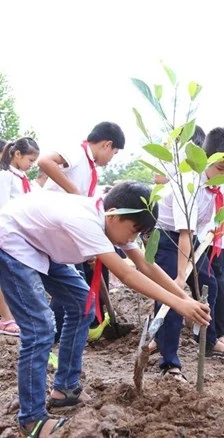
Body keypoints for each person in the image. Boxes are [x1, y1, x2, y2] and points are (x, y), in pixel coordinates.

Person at [0, 181, 210, 437]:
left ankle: (65, 389)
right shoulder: (86, 222)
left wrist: (184, 297)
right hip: (11, 239)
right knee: (40, 327)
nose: (133, 238)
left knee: (81, 305)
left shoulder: (112, 220)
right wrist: (177, 304)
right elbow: (125, 273)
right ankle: (31, 420)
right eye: (134, 230)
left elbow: (145, 265)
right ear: (115, 214)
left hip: (39, 242)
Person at [152, 126, 224, 383]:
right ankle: (169, 363)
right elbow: (182, 235)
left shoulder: (221, 182)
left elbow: (221, 208)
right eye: (220, 169)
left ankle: (206, 339)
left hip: (193, 239)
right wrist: (180, 277)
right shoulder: (189, 184)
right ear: (206, 159)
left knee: (209, 285)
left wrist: (218, 227)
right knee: (173, 298)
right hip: (168, 238)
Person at [39, 122, 125, 342]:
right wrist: (74, 192)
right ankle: (53, 336)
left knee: (76, 283)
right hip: (53, 228)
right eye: (114, 154)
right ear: (107, 145)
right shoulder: (77, 152)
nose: (110, 160)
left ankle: (63, 333)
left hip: (67, 231)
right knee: (71, 285)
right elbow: (45, 161)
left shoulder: (89, 167)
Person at [0, 137, 40, 337]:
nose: (32, 165)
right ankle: (8, 318)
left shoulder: (24, 180)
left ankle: (18, 317)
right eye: (30, 160)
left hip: (22, 237)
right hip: (7, 235)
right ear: (17, 155)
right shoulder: (6, 177)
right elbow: (3, 206)